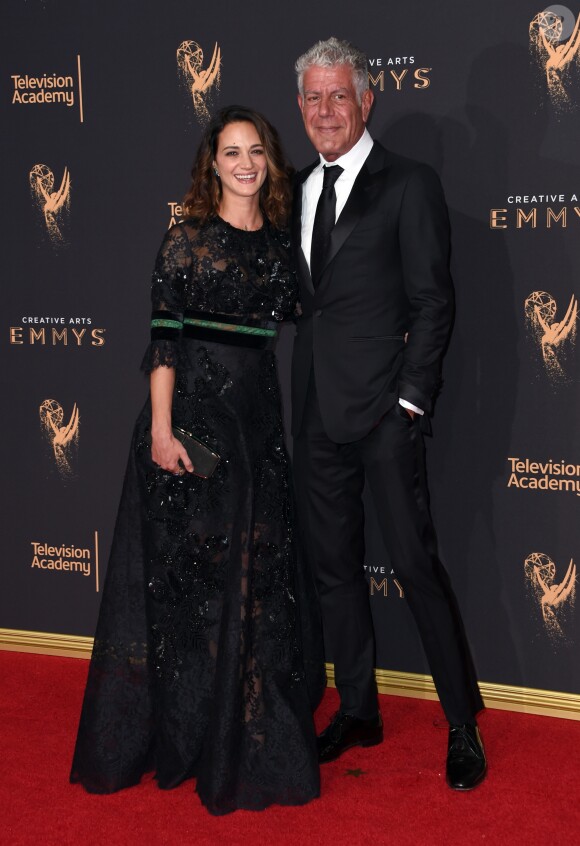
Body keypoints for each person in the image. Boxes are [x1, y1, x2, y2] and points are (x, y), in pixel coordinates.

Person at [70, 105, 325, 815]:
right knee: (190, 584)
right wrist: (160, 430)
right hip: (190, 430)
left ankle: (244, 731)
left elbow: (319, 318)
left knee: (259, 580)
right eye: (231, 152)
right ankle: (187, 736)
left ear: (269, 162)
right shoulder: (185, 241)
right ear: (211, 164)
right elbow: (164, 343)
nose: (245, 163)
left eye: (256, 152)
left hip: (258, 432)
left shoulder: (279, 249)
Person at [291, 37, 487, 791]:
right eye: (314, 97)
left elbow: (434, 302)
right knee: (334, 571)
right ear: (301, 107)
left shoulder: (409, 184)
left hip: (383, 414)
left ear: (368, 101)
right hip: (316, 417)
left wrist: (408, 401)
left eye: (340, 95)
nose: (327, 110)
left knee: (414, 566)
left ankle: (462, 723)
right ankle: (360, 708)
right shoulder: (298, 189)